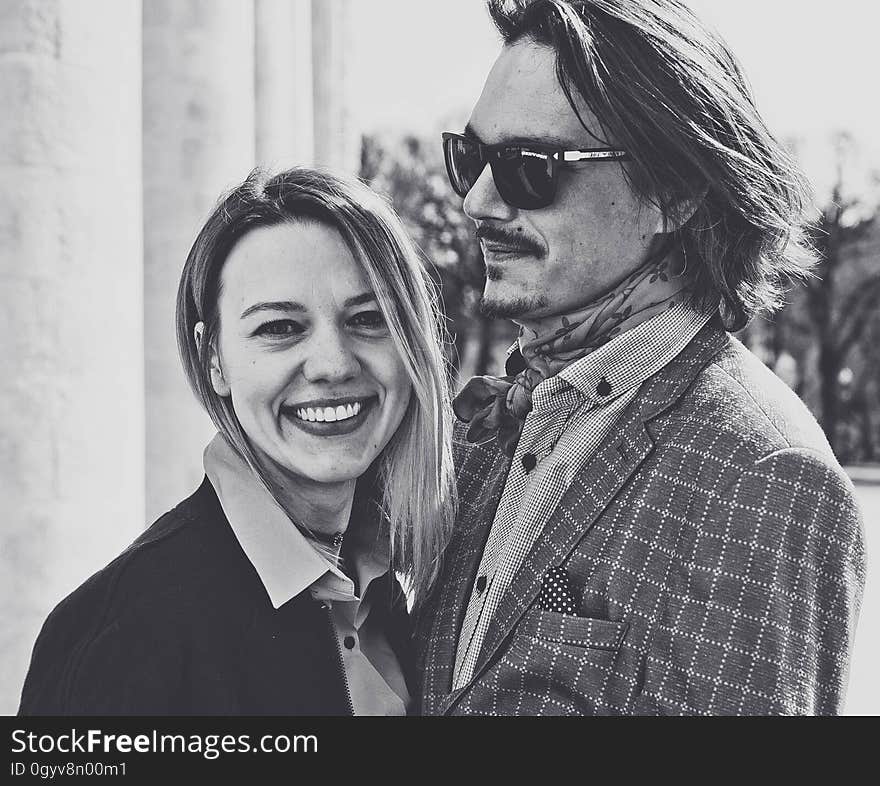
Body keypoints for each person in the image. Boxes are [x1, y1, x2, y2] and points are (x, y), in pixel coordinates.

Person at [416, 0, 866, 715]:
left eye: (528, 168)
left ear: (675, 192)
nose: (477, 200)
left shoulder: (766, 481)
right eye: (468, 157)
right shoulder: (482, 427)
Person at [19, 167, 456, 715]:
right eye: (279, 327)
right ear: (214, 360)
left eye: (369, 319)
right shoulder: (122, 629)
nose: (333, 364)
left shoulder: (397, 583)